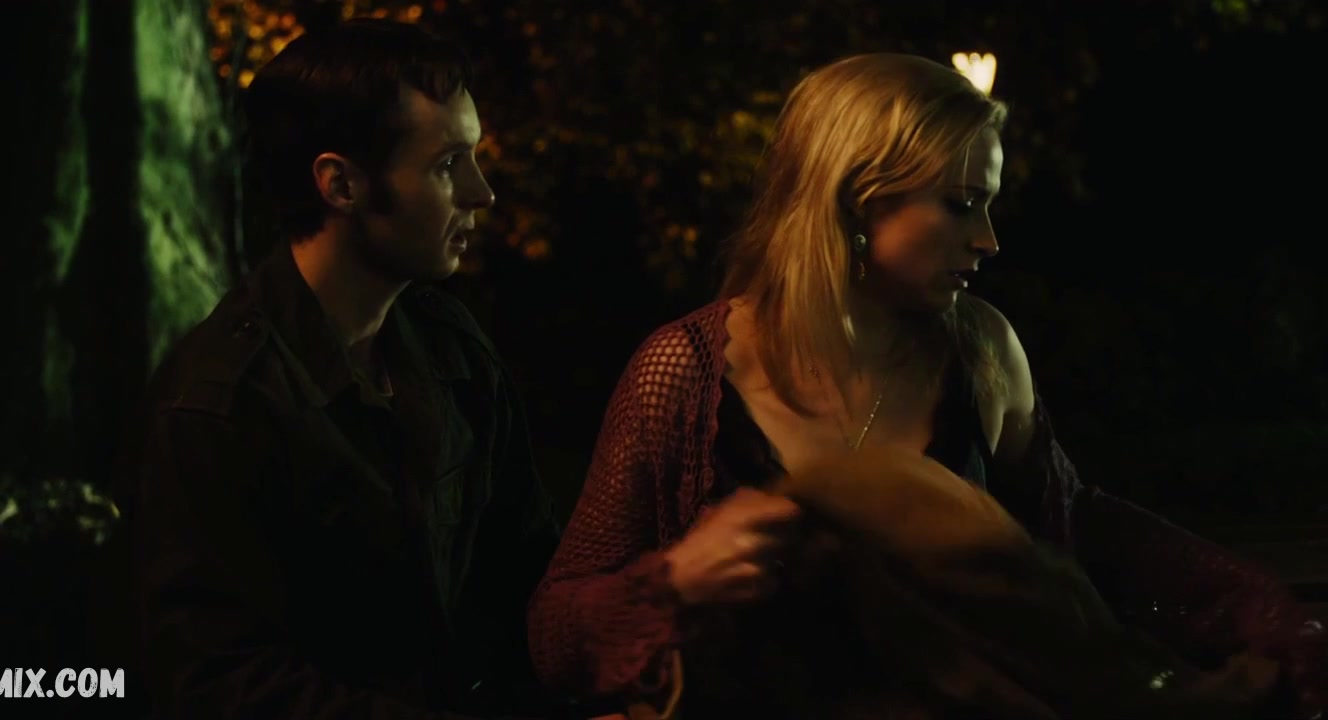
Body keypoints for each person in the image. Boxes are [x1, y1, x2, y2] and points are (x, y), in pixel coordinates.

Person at [525, 53, 1326, 718]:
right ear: (856, 199)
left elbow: (1082, 531)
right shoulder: (684, 373)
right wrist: (674, 582)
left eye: (988, 206)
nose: (989, 239)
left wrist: (1275, 623)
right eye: (962, 205)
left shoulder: (979, 351)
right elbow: (555, 629)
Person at [118, 19, 560, 720]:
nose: (482, 191)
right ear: (341, 184)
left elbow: (529, 571)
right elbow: (216, 678)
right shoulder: (220, 402)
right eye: (449, 164)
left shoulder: (451, 350)